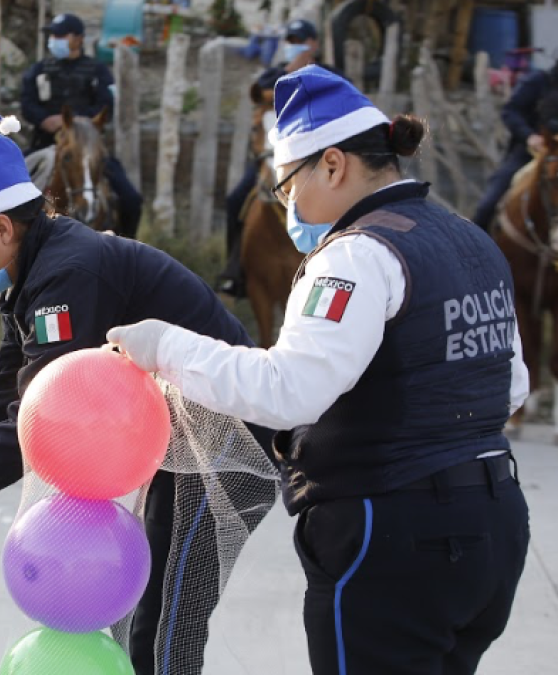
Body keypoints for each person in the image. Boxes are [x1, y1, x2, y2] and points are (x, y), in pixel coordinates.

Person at [109, 66, 531, 675]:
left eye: (287, 187)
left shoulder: (358, 254)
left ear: (332, 165)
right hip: (495, 524)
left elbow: (288, 390)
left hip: (393, 535)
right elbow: (510, 386)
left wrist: (165, 347)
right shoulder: (470, 240)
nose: (289, 208)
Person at [0, 109, 275, 674]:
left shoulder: (66, 275)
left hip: (227, 444)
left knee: (165, 625)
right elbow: (8, 394)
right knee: (135, 614)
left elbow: (41, 427)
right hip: (177, 443)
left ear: (2, 228)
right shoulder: (30, 274)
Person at [218, 19, 340, 297]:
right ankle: (235, 270)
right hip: (273, 155)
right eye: (290, 40)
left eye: (300, 40)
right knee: (236, 199)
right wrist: (290, 70)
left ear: (314, 43)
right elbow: (261, 92)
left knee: (348, 205)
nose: (294, 45)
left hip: (317, 158)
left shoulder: (330, 74)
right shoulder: (273, 75)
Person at [19, 13, 143, 238]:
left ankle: (126, 249)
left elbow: (106, 105)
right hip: (44, 145)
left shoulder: (98, 71)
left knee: (131, 199)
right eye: (53, 36)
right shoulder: (39, 70)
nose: (54, 40)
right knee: (5, 193)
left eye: (61, 36)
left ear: (78, 39)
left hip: (88, 149)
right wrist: (44, 119)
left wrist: (75, 122)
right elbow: (27, 103)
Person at [473, 64, 558, 232]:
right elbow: (510, 111)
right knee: (488, 205)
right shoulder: (539, 81)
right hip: (530, 154)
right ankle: (473, 241)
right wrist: (529, 136)